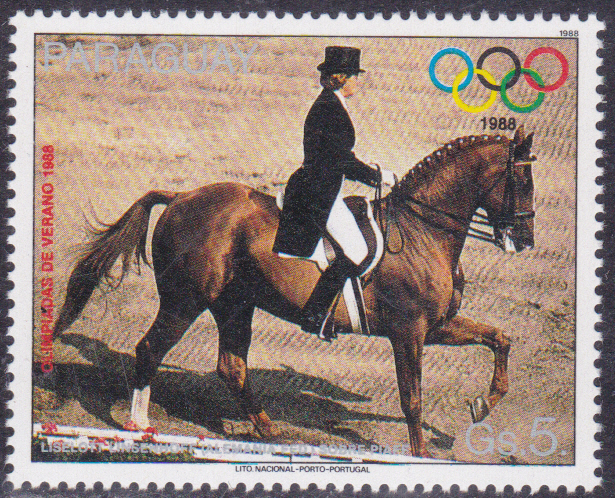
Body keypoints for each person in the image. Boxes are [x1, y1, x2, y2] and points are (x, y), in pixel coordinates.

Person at [273, 46, 397, 338]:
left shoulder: (330, 104)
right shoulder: (330, 109)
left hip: (323, 187)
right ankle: (315, 315)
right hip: (317, 194)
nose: (358, 81)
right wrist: (378, 177)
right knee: (357, 250)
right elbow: (343, 160)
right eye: (355, 76)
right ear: (342, 78)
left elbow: (340, 158)